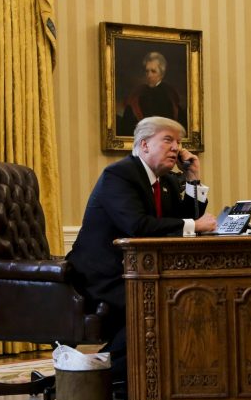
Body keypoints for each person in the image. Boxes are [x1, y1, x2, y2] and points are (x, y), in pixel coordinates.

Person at [67, 116, 217, 382]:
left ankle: (129, 376)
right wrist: (194, 224)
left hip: (139, 272)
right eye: (168, 140)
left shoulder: (168, 181)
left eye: (179, 142)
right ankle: (92, 380)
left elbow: (183, 219)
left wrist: (193, 179)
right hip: (103, 276)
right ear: (144, 145)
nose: (176, 148)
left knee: (179, 300)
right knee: (159, 305)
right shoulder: (119, 174)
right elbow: (137, 225)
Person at [119, 52, 186, 135]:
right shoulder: (137, 95)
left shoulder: (170, 96)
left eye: (153, 71)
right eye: (147, 71)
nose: (149, 75)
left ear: (162, 74)